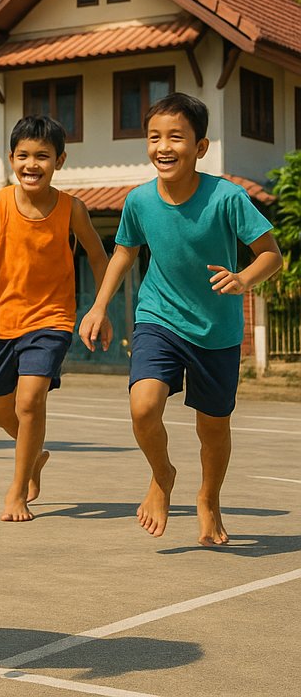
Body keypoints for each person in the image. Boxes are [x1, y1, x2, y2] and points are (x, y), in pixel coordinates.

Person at [79, 92, 282, 545]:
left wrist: (244, 278)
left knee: (213, 429)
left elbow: (271, 255)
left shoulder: (227, 197)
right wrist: (97, 306)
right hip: (159, 317)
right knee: (143, 406)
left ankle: (208, 498)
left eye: (176, 137)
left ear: (201, 147)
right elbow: (125, 253)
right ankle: (162, 474)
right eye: (154, 137)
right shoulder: (139, 201)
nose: (163, 147)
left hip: (217, 330)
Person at [0, 115, 110, 523]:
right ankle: (34, 456)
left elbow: (97, 254)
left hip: (51, 320)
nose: (32, 164)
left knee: (30, 400)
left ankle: (17, 491)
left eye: (42, 156)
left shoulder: (72, 209)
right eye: (23, 156)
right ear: (10, 159)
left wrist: (100, 307)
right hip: (1, 322)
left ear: (60, 160)